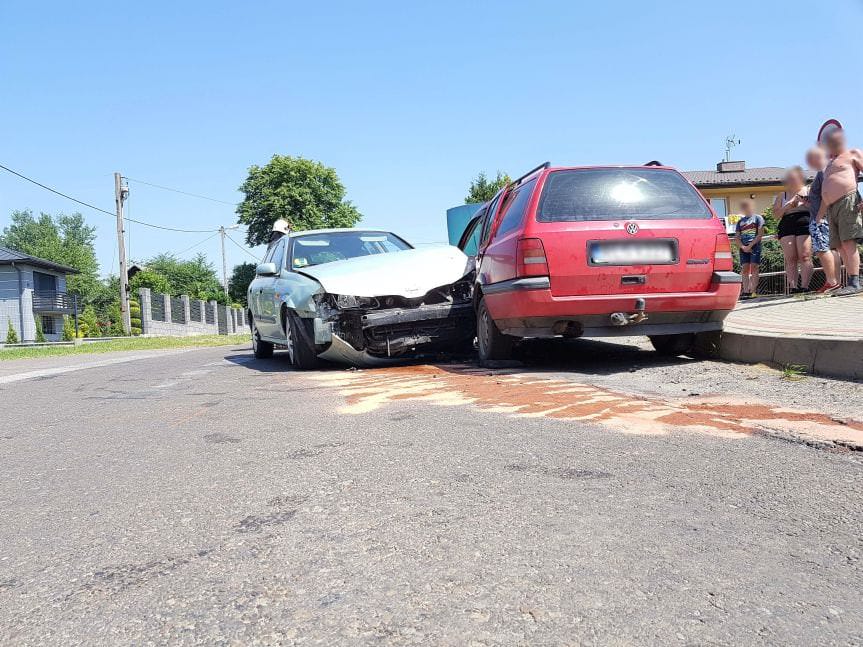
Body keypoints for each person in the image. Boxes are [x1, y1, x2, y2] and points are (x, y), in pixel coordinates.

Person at [819, 129, 863, 296]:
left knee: (848, 242)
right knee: (838, 245)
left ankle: (854, 281)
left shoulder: (853, 153)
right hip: (831, 207)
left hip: (848, 200)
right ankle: (851, 282)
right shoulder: (829, 163)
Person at [804, 147, 840, 293]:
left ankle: (831, 282)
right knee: (832, 249)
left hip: (821, 218)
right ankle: (836, 281)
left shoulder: (823, 171)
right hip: (827, 216)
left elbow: (826, 193)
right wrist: (809, 202)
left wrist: (819, 216)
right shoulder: (830, 170)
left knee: (822, 250)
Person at [773, 166, 813, 293]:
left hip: (805, 222)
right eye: (789, 179)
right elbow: (776, 215)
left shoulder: (809, 191)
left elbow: (818, 208)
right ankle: (793, 287)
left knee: (805, 255)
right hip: (787, 224)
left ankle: (805, 286)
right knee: (791, 257)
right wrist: (790, 205)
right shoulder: (782, 195)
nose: (792, 181)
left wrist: (805, 203)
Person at [735, 199, 764, 299]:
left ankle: (753, 291)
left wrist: (750, 246)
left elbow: (760, 234)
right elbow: (737, 238)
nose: (745, 208)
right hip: (743, 248)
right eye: (743, 206)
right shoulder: (739, 222)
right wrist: (743, 247)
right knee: (745, 269)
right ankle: (746, 291)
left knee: (754, 267)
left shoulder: (758, 218)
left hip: (754, 245)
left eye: (747, 206)